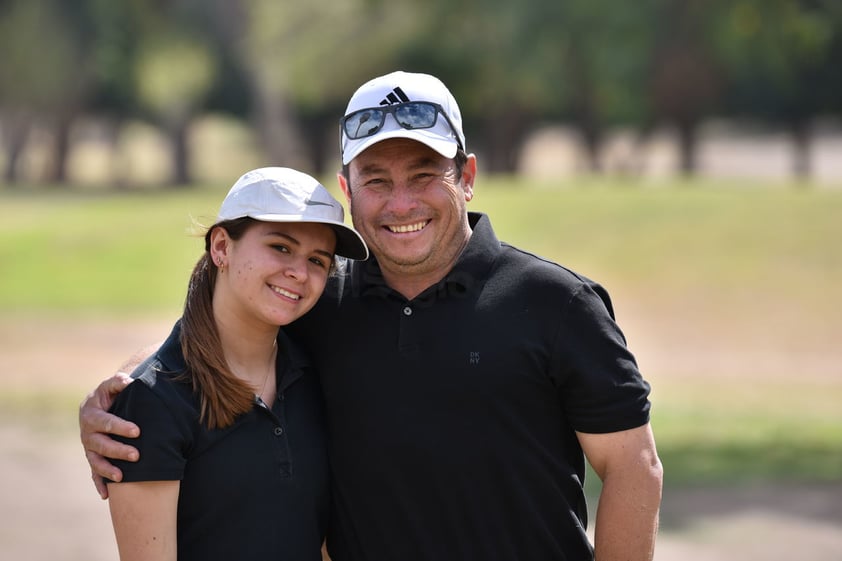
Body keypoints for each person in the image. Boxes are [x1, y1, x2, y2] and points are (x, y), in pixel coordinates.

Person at [81, 71, 663, 561]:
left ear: (467, 177)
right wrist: (122, 394)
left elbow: (633, 466)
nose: (401, 203)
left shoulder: (557, 303)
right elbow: (221, 329)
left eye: (424, 175)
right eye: (376, 181)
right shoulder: (317, 300)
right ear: (347, 189)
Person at [101, 166, 368, 561]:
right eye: (280, 247)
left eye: (317, 259)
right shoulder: (153, 402)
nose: (298, 272)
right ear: (222, 247)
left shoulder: (316, 374)